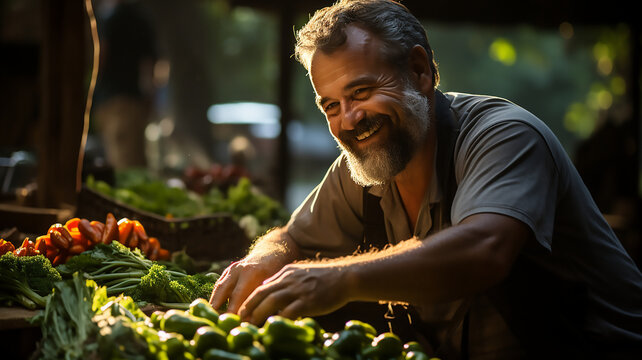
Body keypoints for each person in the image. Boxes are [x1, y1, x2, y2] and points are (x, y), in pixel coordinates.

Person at [210, 0, 642, 358]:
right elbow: (293, 238)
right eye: (331, 106)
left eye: (361, 92)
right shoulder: (363, 167)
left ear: (420, 72)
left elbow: (483, 249)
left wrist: (338, 279)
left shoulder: (505, 136)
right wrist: (264, 257)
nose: (350, 119)